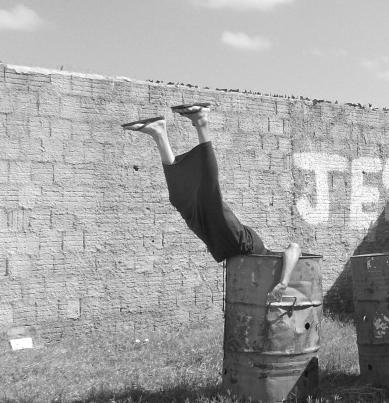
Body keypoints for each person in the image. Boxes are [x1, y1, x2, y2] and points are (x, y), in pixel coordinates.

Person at [122, 103, 301, 303]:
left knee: (181, 200)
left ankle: (159, 133)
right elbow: (294, 248)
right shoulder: (276, 262)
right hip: (244, 245)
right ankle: (201, 121)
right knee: (209, 195)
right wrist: (283, 283)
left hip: (224, 246)